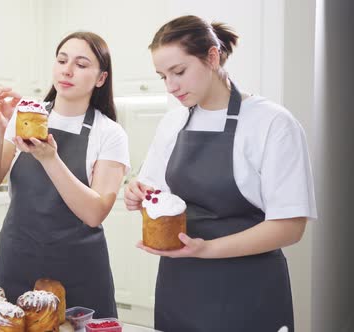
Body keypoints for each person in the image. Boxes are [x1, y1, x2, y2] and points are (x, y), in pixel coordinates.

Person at [124, 15, 317, 331]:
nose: (171, 86)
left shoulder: (272, 123)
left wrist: (207, 248)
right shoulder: (172, 122)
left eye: (179, 72)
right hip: (179, 287)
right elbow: (156, 193)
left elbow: (290, 227)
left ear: (212, 57)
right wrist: (139, 193)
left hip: (247, 289)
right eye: (163, 76)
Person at [0, 31, 130, 318]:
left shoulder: (109, 133)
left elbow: (94, 213)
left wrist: (50, 158)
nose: (67, 70)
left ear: (101, 78)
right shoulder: (26, 117)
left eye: (81, 65)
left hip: (78, 270)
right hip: (17, 262)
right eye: (62, 60)